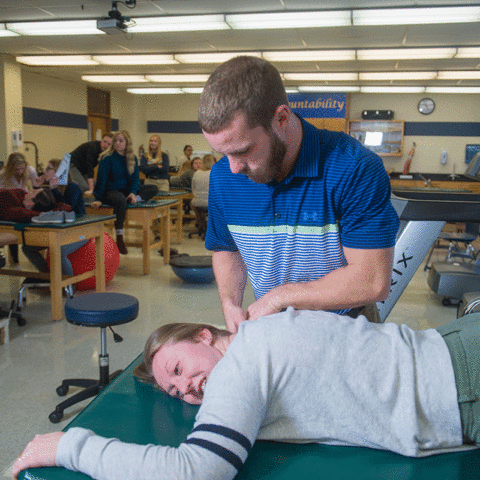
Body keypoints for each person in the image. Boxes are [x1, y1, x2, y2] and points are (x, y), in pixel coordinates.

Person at [12, 308, 480, 480]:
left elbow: (197, 471)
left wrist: (72, 446)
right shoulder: (261, 333)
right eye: (175, 392)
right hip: (454, 341)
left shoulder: (242, 363)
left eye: (178, 369)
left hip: (462, 382)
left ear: (202, 335)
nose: (188, 389)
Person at [198, 56, 400, 332]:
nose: (233, 168)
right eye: (222, 153)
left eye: (243, 151)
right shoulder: (223, 177)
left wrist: (280, 298)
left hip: (349, 330)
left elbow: (372, 280)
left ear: (281, 118)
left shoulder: (354, 168)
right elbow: (227, 249)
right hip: (273, 328)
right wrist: (230, 302)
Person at [92, 130, 158, 255]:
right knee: (121, 200)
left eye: (121, 141)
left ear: (127, 142)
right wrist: (98, 198)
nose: (118, 143)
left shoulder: (132, 158)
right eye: (116, 141)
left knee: (153, 188)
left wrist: (133, 193)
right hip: (110, 191)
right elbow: (101, 180)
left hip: (126, 191)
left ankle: (134, 199)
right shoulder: (107, 158)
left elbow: (135, 180)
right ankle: (119, 237)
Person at [0, 187, 87, 277]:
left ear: (32, 202)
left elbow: (65, 206)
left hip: (81, 232)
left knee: (31, 248)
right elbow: (15, 212)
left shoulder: (31, 204)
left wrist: (46, 214)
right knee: (28, 248)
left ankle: (63, 284)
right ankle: (49, 277)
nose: (29, 191)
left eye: (33, 192)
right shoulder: (14, 195)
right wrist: (43, 215)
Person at [0, 153, 41, 265]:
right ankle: (15, 260)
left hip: (24, 203)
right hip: (11, 206)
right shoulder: (3, 175)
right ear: (11, 168)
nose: (20, 171)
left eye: (22, 168)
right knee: (13, 228)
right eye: (17, 169)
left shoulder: (30, 171)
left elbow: (35, 189)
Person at [190, 154, 216, 238]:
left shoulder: (197, 173)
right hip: (210, 203)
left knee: (194, 204)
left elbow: (193, 190)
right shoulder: (214, 173)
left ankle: (201, 226)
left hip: (197, 202)